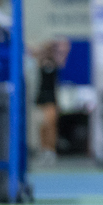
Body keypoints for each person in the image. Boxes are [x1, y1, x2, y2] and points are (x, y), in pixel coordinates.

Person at [31, 38, 70, 167]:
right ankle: (44, 150)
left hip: (51, 97)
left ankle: (51, 150)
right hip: (41, 96)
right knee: (42, 125)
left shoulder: (57, 61)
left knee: (50, 124)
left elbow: (65, 48)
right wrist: (43, 48)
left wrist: (54, 45)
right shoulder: (41, 60)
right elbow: (31, 51)